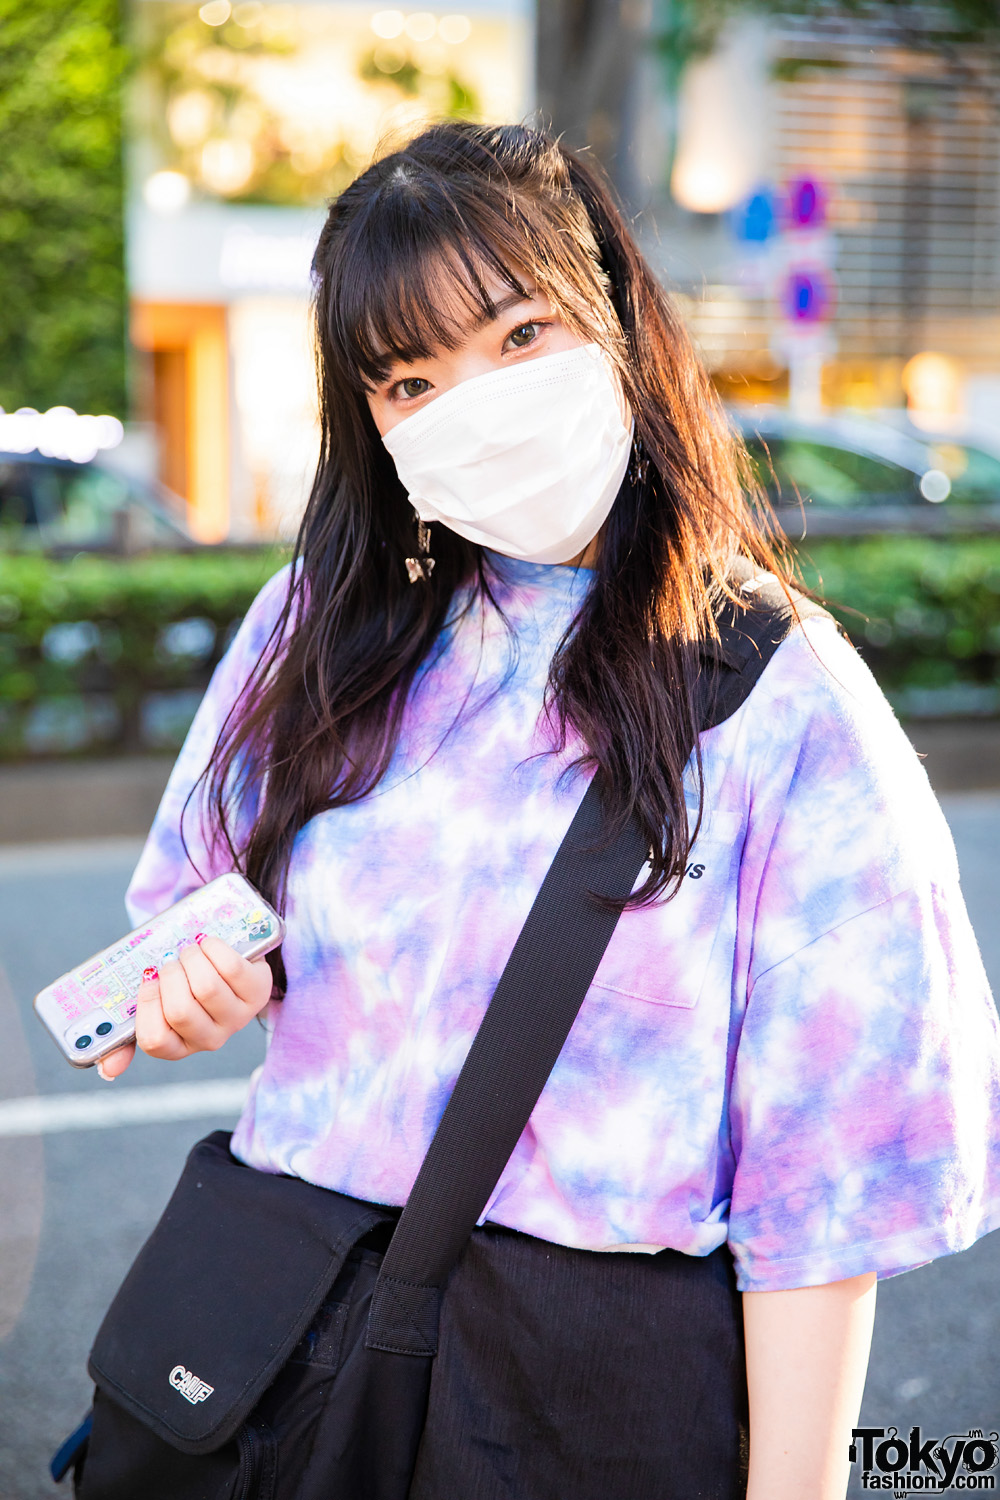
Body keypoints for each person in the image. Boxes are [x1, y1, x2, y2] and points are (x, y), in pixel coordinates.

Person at [101, 123, 1000, 1500]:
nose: (474, 402)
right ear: (372, 421)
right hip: (278, 1345)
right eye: (409, 377)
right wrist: (192, 992)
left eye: (519, 336)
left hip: (579, 1392)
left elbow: (826, 1195)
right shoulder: (322, 629)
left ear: (620, 326)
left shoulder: (783, 698)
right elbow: (188, 912)